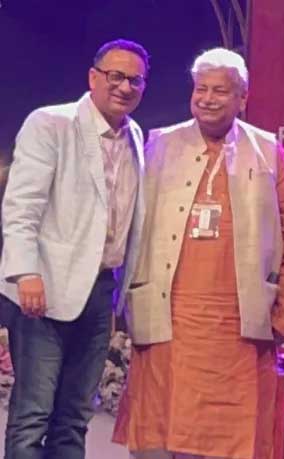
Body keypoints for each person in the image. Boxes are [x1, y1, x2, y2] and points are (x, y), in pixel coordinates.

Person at [112, 47, 284, 459]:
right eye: (201, 89)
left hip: (239, 332)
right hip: (168, 323)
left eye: (220, 90)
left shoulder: (267, 150)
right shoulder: (159, 144)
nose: (207, 98)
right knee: (159, 439)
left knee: (230, 443)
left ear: (242, 97)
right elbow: (129, 225)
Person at [0, 39, 149, 458]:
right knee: (33, 415)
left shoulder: (135, 136)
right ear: (93, 77)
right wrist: (25, 272)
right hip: (43, 289)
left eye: (135, 80)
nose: (124, 87)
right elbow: (22, 204)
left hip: (100, 292)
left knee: (75, 416)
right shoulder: (52, 123)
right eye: (115, 76)